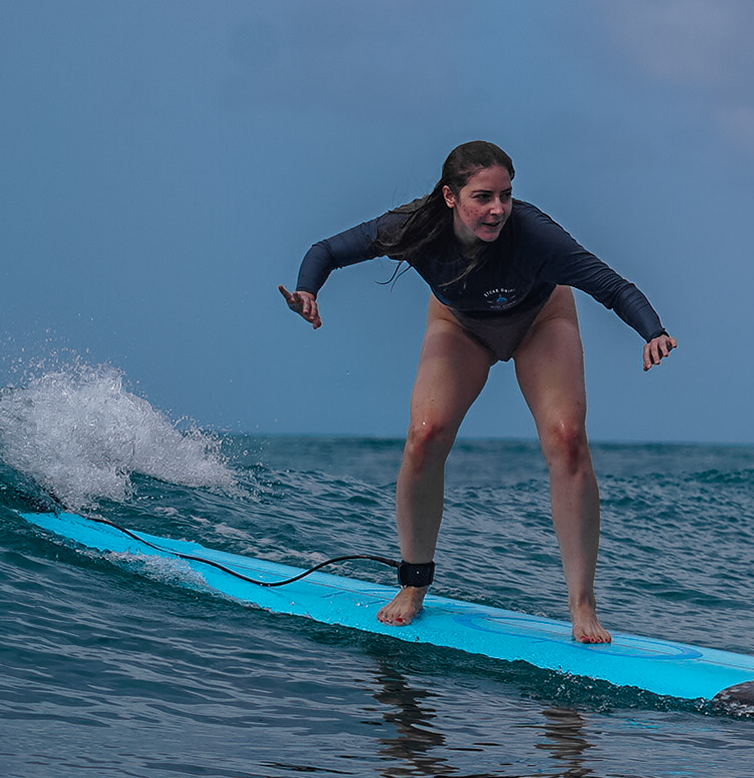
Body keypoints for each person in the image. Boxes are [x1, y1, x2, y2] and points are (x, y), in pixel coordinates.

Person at [280, 140, 676, 642]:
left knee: (567, 438)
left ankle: (582, 603)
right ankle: (414, 584)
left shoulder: (535, 235)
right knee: (425, 435)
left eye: (505, 196)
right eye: (483, 197)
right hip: (460, 325)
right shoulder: (413, 227)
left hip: (540, 321)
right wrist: (308, 290)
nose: (498, 209)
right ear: (450, 196)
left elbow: (612, 286)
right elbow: (327, 251)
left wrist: (652, 331)